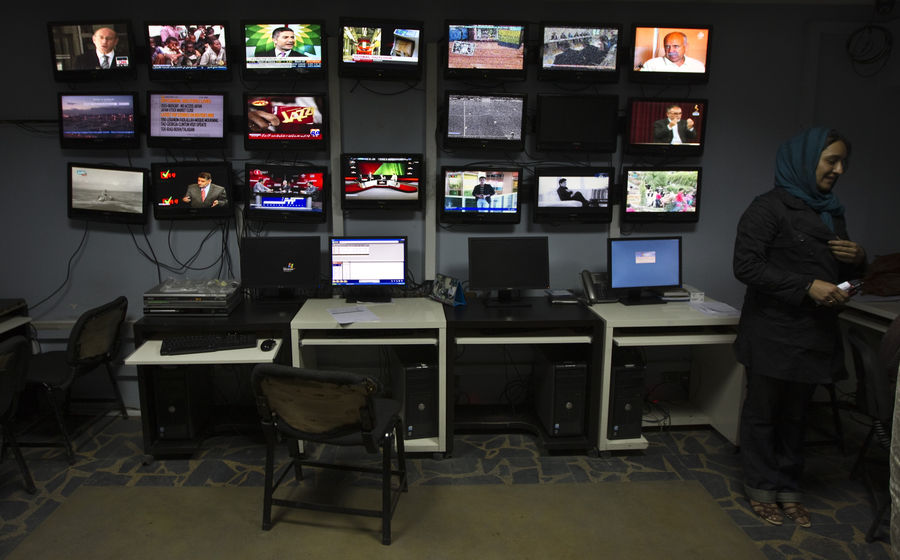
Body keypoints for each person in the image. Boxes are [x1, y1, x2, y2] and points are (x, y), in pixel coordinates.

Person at [733, 127, 867, 528]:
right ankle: (761, 487)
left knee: (797, 415)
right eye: (831, 161)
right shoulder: (767, 209)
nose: (839, 170)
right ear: (805, 161)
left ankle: (789, 487)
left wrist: (858, 260)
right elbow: (746, 266)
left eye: (842, 162)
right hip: (773, 331)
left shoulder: (831, 212)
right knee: (763, 413)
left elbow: (839, 270)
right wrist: (807, 286)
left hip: (814, 333)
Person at [640, 31, 706, 73]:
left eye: (676, 46)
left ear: (686, 47)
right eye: (667, 46)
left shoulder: (698, 66)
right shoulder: (650, 65)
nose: (671, 50)